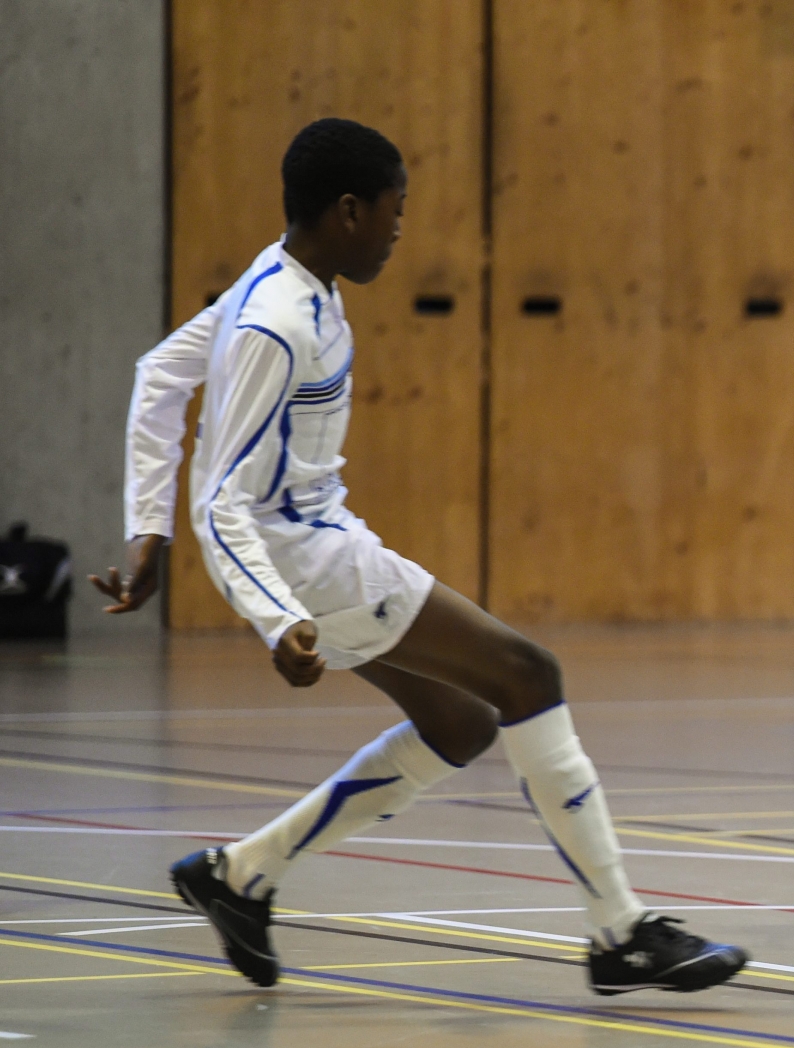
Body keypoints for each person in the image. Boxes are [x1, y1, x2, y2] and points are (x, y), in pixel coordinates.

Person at [91, 118, 747, 995]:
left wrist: (146, 530)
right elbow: (223, 503)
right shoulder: (275, 323)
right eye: (395, 214)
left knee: (462, 723)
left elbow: (158, 373)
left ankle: (242, 877)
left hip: (317, 545)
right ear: (350, 211)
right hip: (306, 561)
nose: (402, 231)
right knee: (527, 674)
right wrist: (276, 617)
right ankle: (618, 934)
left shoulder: (283, 278)